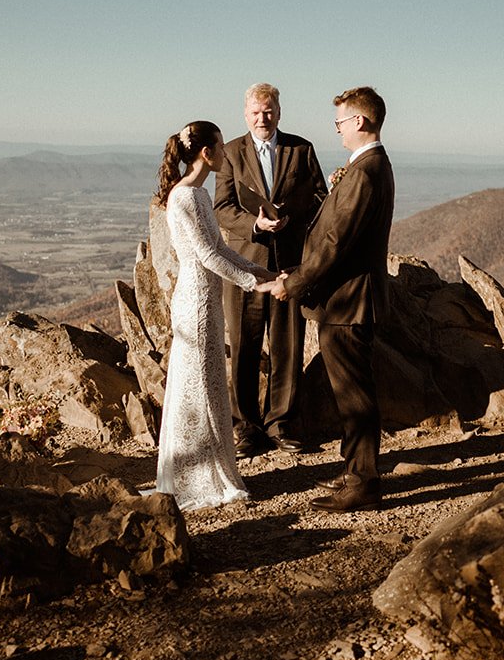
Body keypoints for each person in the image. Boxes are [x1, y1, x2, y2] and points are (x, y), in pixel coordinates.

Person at [261, 87, 394, 512]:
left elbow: (336, 242)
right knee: (351, 392)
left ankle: (364, 483)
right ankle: (355, 471)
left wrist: (294, 283)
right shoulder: (369, 167)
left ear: (359, 121)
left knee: (355, 395)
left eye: (340, 122)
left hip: (349, 303)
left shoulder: (366, 172)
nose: (336, 130)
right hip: (348, 301)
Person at [151, 120, 275, 511]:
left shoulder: (199, 195)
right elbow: (206, 256)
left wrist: (262, 272)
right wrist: (253, 284)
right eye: (221, 147)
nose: (226, 154)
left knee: (206, 382)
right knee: (198, 384)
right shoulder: (185, 197)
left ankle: (212, 465)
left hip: (208, 294)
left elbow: (221, 249)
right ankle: (196, 476)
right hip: (197, 299)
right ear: (206, 153)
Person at [214, 83, 328, 457]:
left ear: (279, 112)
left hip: (288, 265)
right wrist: (255, 225)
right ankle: (245, 427)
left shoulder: (301, 148)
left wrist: (292, 218)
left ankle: (281, 423)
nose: (262, 118)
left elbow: (320, 198)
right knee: (245, 347)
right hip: (246, 266)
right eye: (255, 113)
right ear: (245, 114)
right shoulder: (231, 152)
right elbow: (222, 208)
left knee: (287, 347)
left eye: (268, 111)